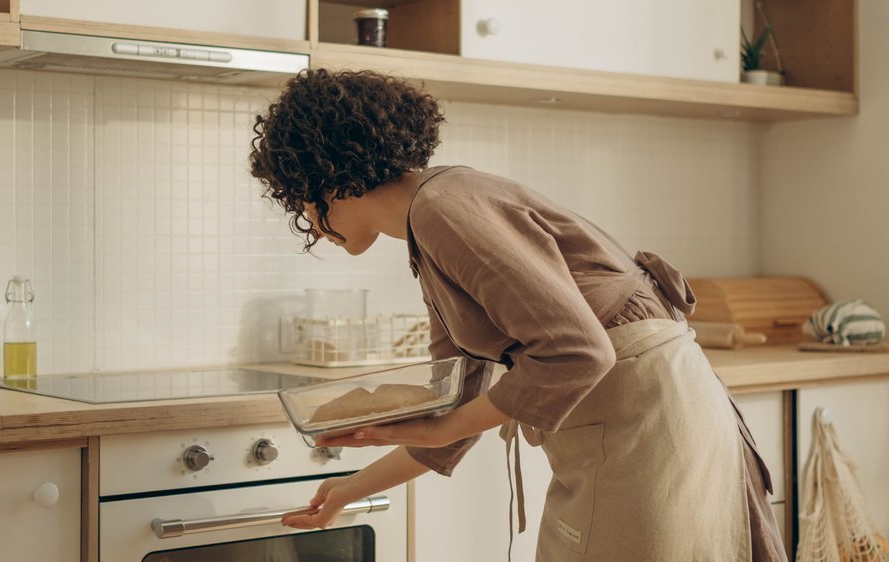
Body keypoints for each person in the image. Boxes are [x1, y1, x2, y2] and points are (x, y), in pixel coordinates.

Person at [249, 68, 788, 562]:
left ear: (331, 179)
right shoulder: (431, 225)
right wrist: (349, 488)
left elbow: (575, 352)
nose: (306, 217)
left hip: (647, 432)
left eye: (299, 197)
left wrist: (447, 425)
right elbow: (453, 402)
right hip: (631, 429)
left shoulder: (442, 211)